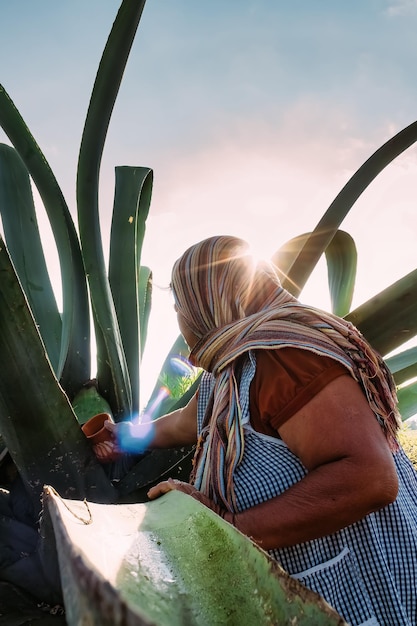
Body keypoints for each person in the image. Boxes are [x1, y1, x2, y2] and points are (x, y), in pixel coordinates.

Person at [104, 235, 417, 626]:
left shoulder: (283, 357)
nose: (181, 323)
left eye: (179, 308)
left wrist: (226, 528)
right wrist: (123, 435)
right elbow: (184, 422)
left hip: (367, 596)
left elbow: (369, 477)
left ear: (207, 300)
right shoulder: (230, 372)